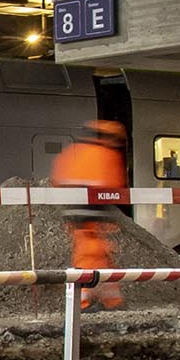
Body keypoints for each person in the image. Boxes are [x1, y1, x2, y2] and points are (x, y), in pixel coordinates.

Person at [53, 119, 129, 310]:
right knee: (90, 255)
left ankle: (112, 301)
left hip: (73, 212)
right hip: (92, 214)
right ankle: (85, 303)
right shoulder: (107, 155)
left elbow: (57, 180)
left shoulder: (72, 152)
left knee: (98, 256)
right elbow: (114, 188)